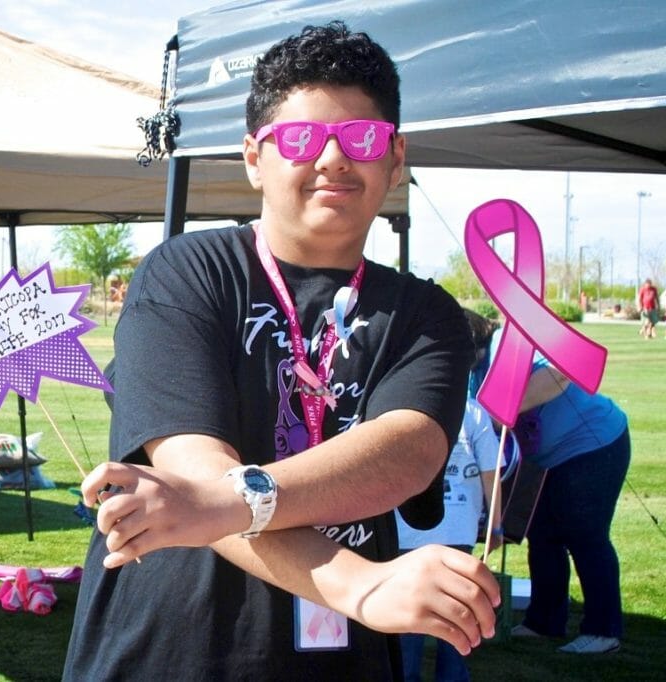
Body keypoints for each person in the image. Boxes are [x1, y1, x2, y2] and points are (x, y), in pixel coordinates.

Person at [63, 22, 500, 681]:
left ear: (395, 156)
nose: (332, 159)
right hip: (166, 655)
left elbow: (405, 450)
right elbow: (192, 460)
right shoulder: (187, 273)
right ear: (253, 157)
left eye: (361, 138)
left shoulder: (423, 313)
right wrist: (359, 585)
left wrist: (223, 502)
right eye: (301, 139)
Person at [475, 327, 630, 655]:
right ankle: (544, 622)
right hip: (546, 457)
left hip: (594, 444)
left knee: (585, 534)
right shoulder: (463, 365)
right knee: (543, 535)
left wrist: (507, 405)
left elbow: (563, 370)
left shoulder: (507, 340)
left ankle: (604, 631)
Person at [395, 376, 503, 682]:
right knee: (457, 616)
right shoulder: (474, 412)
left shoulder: (405, 410)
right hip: (456, 530)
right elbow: (491, 473)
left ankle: (411, 674)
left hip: (410, 530)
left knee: (412, 615)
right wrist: (494, 525)